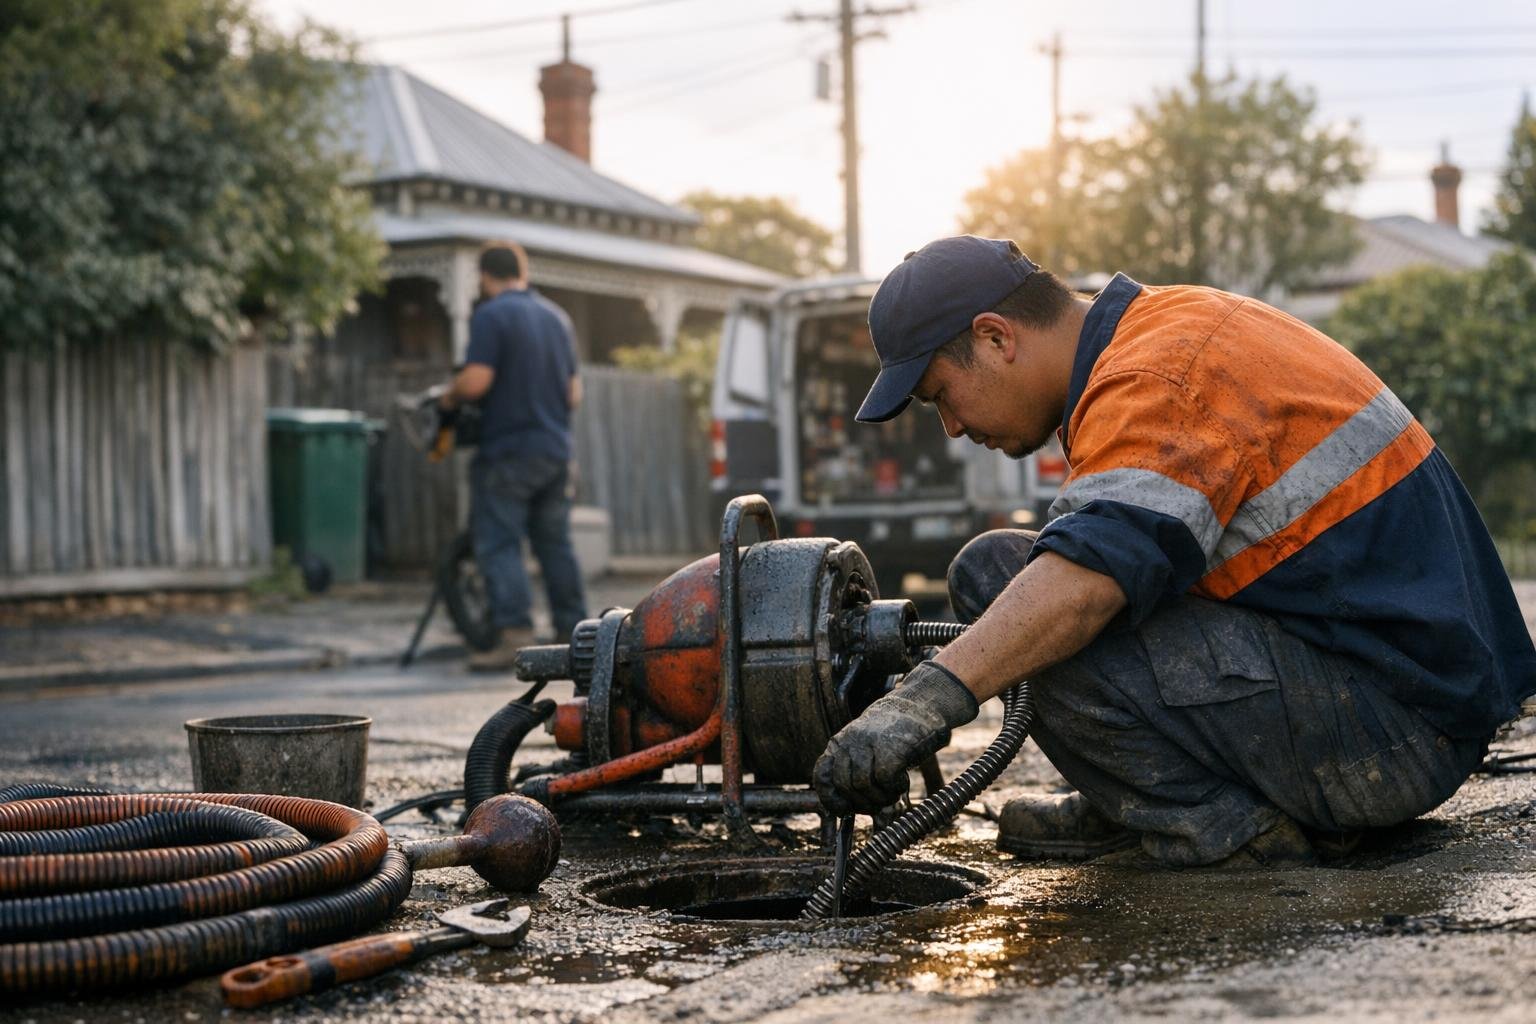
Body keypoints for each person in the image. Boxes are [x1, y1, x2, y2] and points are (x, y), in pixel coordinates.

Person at [814, 235, 1536, 867]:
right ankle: (1139, 803)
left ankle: (1221, 830)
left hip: (1393, 739)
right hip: (1402, 702)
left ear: (997, 337)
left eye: (942, 393)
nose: (951, 426)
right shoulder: (1162, 328)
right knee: (1031, 572)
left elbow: (1084, 588)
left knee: (1014, 583)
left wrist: (919, 704)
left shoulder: (1156, 379)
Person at [439, 242, 589, 671]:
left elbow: (475, 381)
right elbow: (573, 393)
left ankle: (514, 635)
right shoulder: (557, 317)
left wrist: (449, 394)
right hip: (556, 453)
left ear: (486, 277)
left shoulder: (491, 315)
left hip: (508, 452)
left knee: (500, 543)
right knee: (555, 544)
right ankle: (574, 634)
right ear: (521, 272)